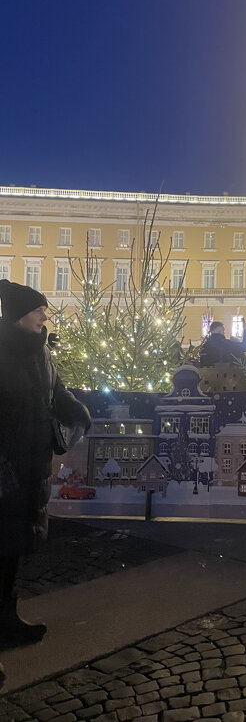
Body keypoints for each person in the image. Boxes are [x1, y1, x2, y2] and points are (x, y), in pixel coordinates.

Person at [0, 280, 91, 683]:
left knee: (11, 555)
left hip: (31, 471)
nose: (45, 319)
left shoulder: (41, 356)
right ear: (21, 317)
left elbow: (56, 393)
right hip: (4, 475)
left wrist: (77, 410)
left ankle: (6, 622)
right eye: (40, 313)